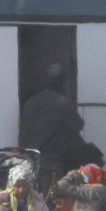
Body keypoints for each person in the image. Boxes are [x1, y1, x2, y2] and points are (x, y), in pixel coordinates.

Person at [19, 63, 86, 195]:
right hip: (51, 162)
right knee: (52, 204)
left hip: (28, 161)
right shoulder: (62, 103)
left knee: (33, 204)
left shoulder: (30, 103)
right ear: (63, 83)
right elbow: (78, 125)